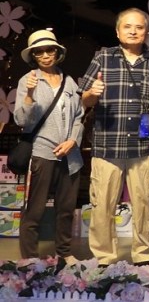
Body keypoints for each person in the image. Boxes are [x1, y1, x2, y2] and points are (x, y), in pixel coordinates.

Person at [79, 7, 149, 267]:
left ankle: (143, 260)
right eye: (127, 27)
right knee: (102, 207)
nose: (133, 31)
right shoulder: (103, 57)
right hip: (107, 145)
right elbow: (84, 101)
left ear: (147, 32)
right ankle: (104, 260)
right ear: (117, 31)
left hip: (144, 146)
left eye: (139, 27)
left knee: (145, 206)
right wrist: (93, 93)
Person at [13, 30, 84, 269]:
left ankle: (64, 253)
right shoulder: (28, 80)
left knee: (66, 209)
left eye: (49, 50)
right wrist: (29, 94)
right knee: (35, 209)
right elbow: (21, 120)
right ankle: (29, 258)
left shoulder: (69, 81)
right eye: (39, 52)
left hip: (70, 155)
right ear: (33, 56)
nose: (45, 55)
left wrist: (73, 140)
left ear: (57, 52)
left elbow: (79, 116)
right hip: (42, 152)